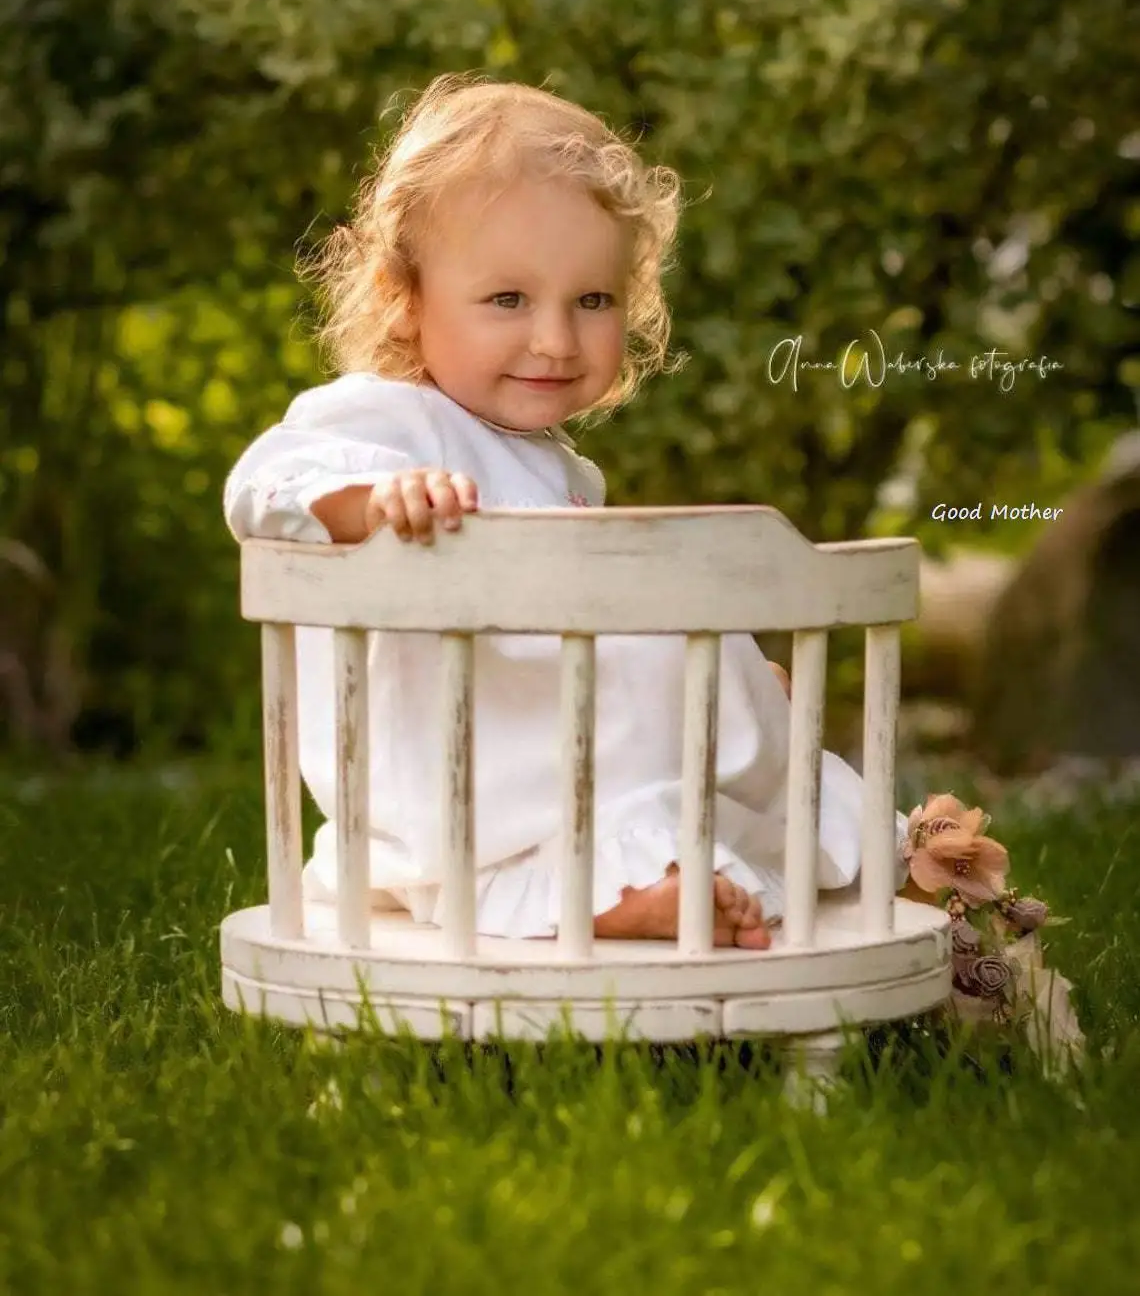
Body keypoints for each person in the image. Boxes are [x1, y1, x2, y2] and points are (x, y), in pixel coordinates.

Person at [224, 75, 884, 948]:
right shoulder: (393, 419)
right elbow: (265, 481)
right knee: (671, 662)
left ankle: (678, 863)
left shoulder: (564, 473)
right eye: (508, 299)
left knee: (701, 657)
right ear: (406, 298)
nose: (556, 340)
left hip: (536, 753)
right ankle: (617, 886)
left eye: (593, 301)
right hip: (452, 770)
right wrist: (371, 502)